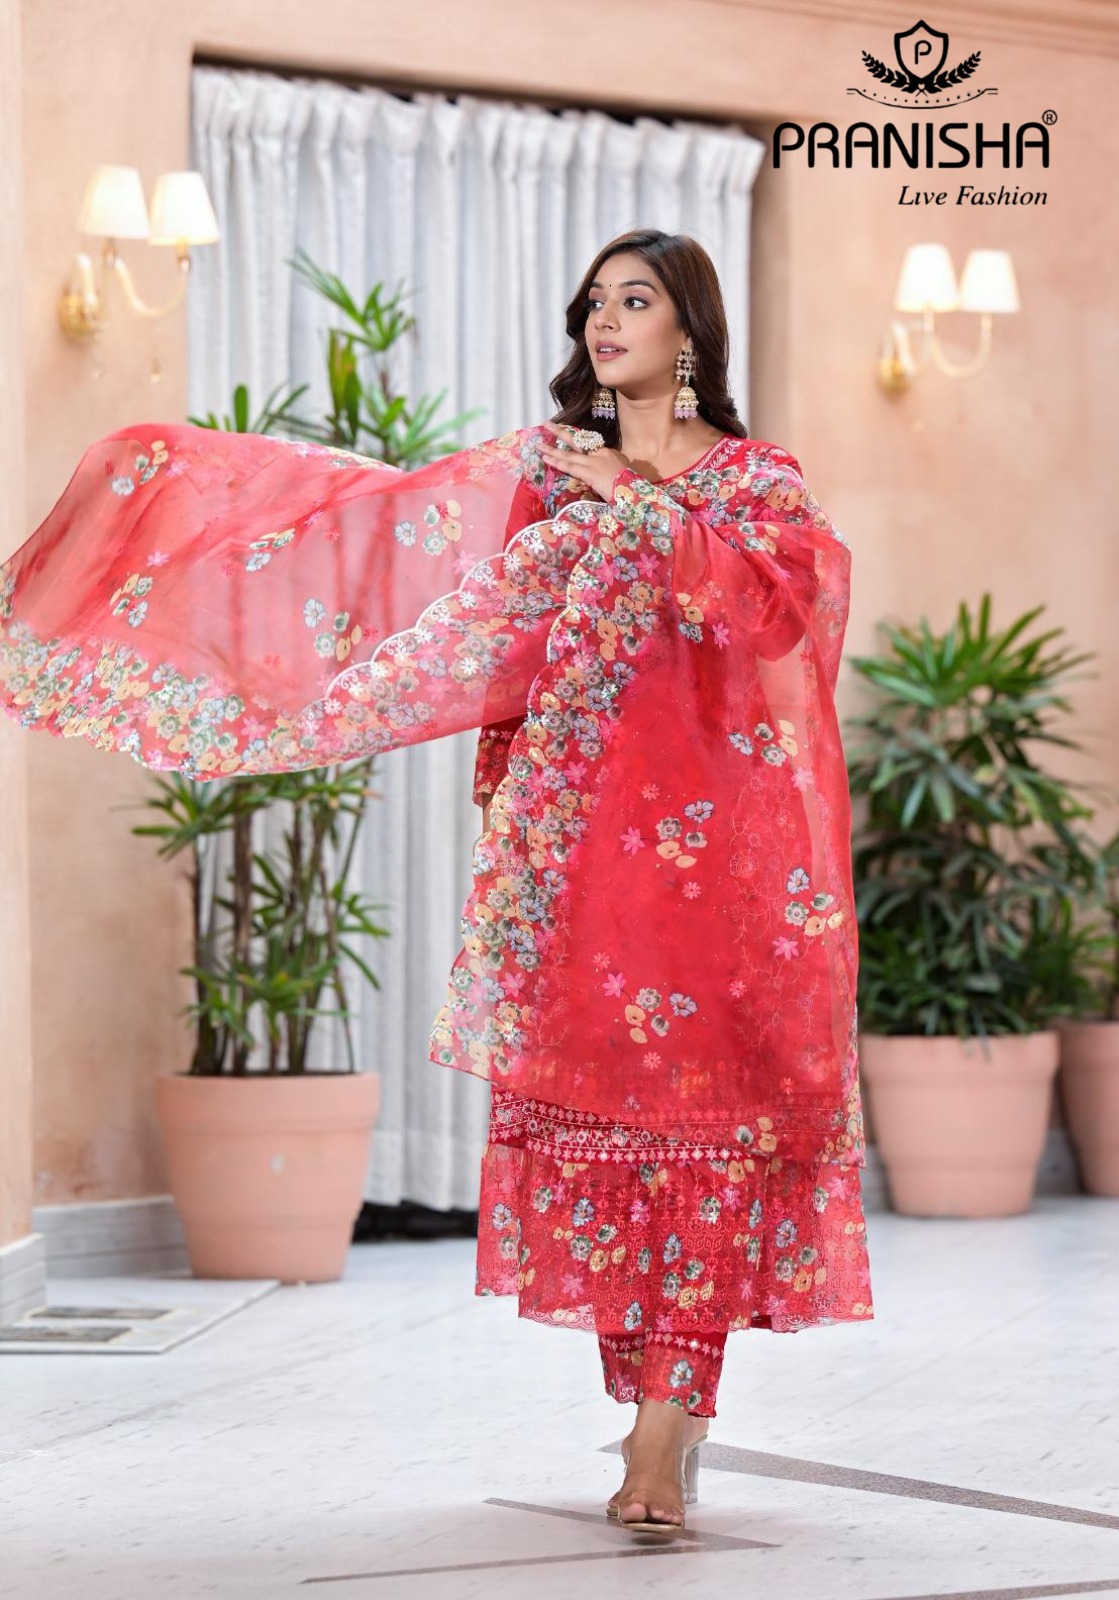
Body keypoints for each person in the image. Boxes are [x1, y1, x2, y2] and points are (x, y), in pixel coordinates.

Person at [0, 227, 872, 1536]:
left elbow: (780, 616)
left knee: (698, 1138)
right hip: (582, 859)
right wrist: (285, 691)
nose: (603, 320)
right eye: (592, 302)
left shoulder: (755, 482)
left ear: (691, 330)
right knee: (606, 1140)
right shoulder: (550, 478)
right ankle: (659, 1404)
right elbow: (436, 582)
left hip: (716, 871)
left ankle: (664, 1421)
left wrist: (640, 505)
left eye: (634, 300)